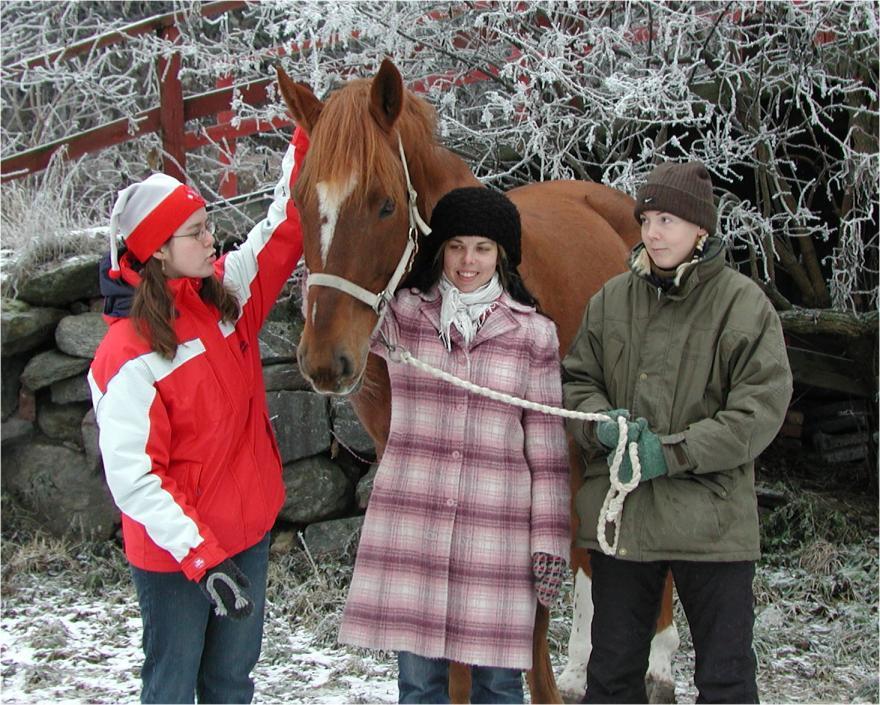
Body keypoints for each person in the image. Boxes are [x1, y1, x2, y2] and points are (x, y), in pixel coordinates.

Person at [87, 126, 309, 704]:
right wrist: (202, 558)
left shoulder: (224, 296)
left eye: (208, 225)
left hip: (247, 533)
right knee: (172, 684)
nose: (212, 240)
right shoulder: (127, 355)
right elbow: (134, 477)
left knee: (232, 682)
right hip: (176, 554)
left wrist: (313, 135)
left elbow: (282, 227)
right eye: (196, 232)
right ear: (158, 249)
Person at [561, 161, 793, 704]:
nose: (653, 232)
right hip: (625, 520)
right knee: (612, 678)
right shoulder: (611, 300)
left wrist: (672, 453)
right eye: (646, 218)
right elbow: (576, 382)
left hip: (710, 523)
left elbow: (758, 411)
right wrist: (602, 425)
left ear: (701, 230)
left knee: (725, 680)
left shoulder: (744, 305)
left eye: (668, 219)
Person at [337, 187, 571, 704]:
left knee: (499, 685)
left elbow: (549, 456)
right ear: (439, 249)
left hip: (497, 539)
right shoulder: (400, 318)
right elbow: (339, 287)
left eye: (483, 248)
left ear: (503, 256)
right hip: (414, 532)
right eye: (457, 246)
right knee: (419, 685)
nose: (469, 261)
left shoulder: (534, 335)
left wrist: (549, 540)